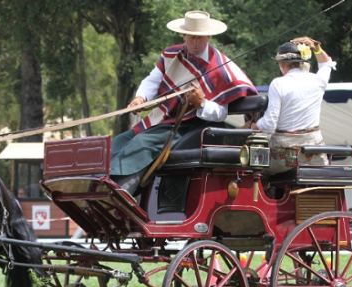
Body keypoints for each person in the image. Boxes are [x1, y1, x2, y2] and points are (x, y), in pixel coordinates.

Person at [111, 11, 258, 195]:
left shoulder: (222, 69)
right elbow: (153, 80)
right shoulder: (171, 55)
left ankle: (118, 193)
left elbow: (221, 113)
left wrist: (201, 103)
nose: (196, 42)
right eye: (192, 37)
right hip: (163, 120)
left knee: (141, 143)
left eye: (200, 38)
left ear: (208, 36)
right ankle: (100, 182)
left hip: (191, 126)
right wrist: (140, 98)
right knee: (119, 141)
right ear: (184, 35)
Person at [251, 37, 337, 175]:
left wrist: (255, 125)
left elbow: (270, 125)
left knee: (254, 171)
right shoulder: (318, 80)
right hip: (315, 157)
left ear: (281, 64)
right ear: (303, 62)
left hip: (283, 160)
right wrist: (317, 48)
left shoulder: (278, 83)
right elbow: (326, 64)